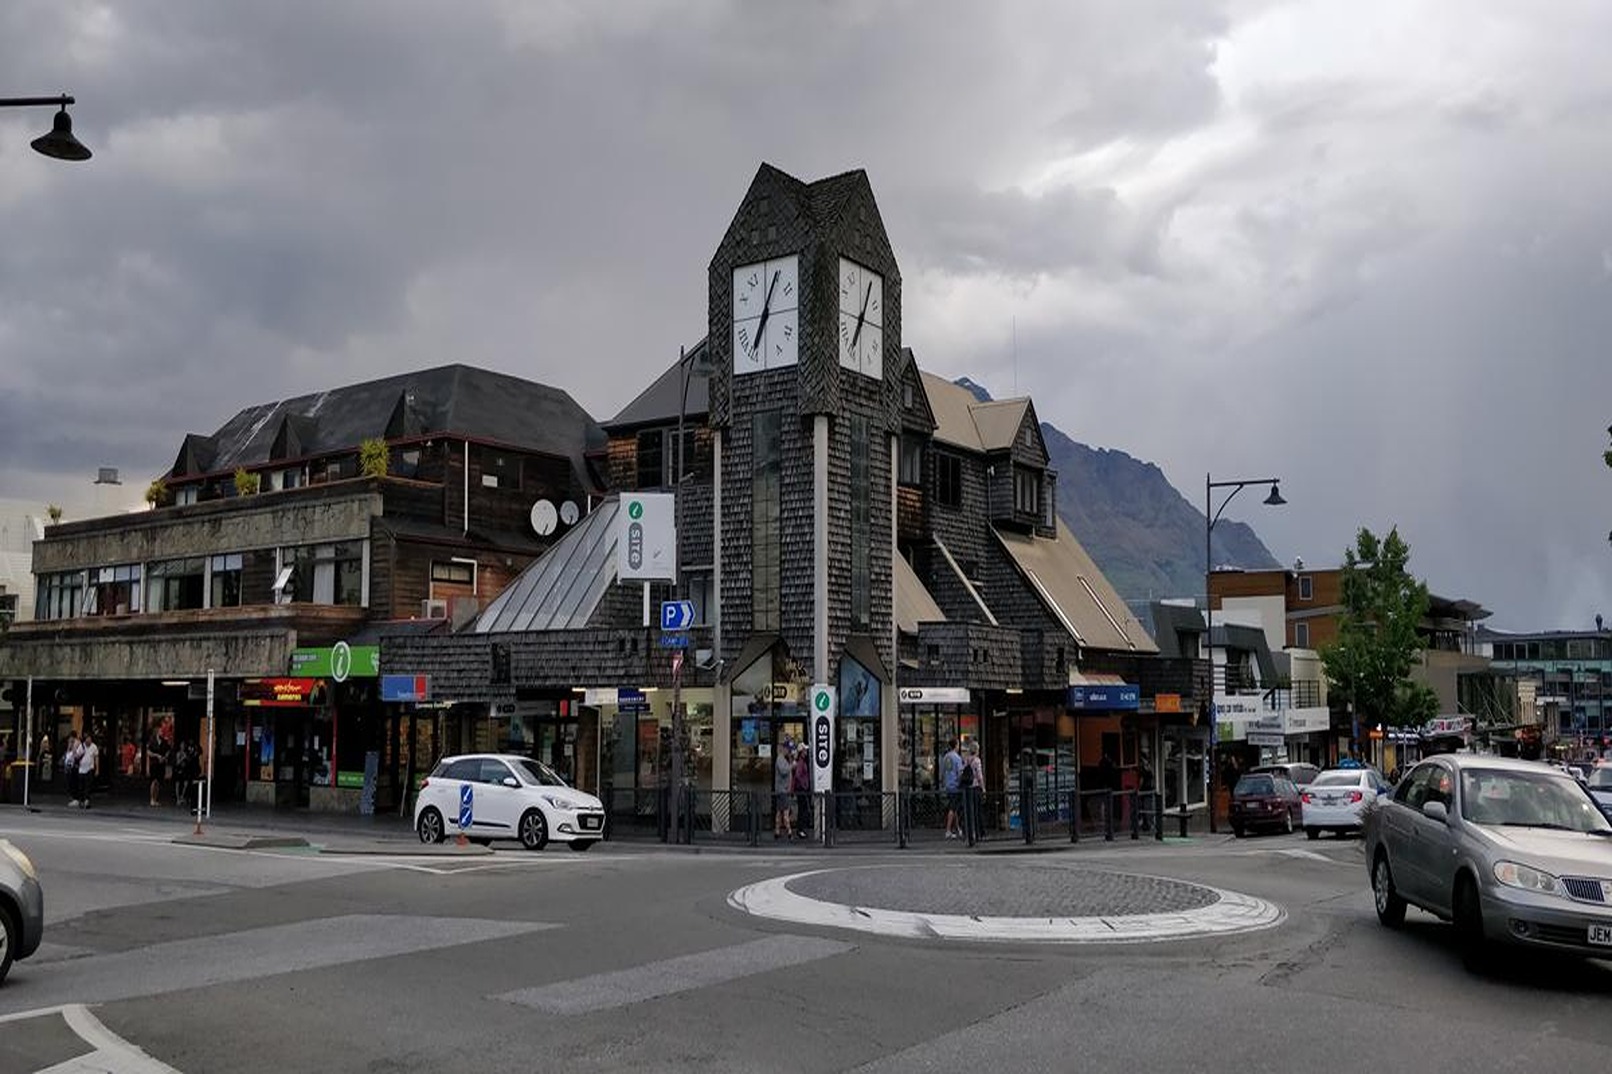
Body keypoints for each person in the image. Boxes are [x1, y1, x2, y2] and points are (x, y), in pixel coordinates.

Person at [963, 742, 985, 844]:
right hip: (976, 787)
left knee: (969, 811)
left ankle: (970, 833)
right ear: (977, 750)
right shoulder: (977, 761)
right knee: (977, 811)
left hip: (968, 787)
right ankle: (979, 833)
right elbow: (979, 776)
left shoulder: (966, 760)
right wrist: (983, 788)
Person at [941, 738, 964, 839]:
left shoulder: (946, 757)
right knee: (952, 808)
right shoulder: (957, 758)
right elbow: (960, 773)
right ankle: (948, 830)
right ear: (956, 746)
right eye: (958, 744)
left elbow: (943, 771)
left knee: (954, 807)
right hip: (955, 786)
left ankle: (958, 828)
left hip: (948, 785)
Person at [774, 740, 795, 840]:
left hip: (782, 790)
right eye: (788, 750)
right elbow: (783, 771)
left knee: (779, 812)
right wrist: (791, 766)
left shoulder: (784, 759)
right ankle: (789, 832)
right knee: (785, 812)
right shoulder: (780, 759)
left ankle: (777, 831)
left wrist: (790, 760)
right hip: (783, 790)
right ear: (784, 749)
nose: (789, 752)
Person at [791, 744, 812, 839]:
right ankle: (800, 830)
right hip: (801, 789)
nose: (806, 753)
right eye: (804, 751)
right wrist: (804, 785)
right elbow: (798, 775)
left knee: (802, 809)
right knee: (802, 810)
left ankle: (801, 829)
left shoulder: (801, 762)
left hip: (801, 788)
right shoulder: (801, 762)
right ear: (801, 752)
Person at [147, 728, 171, 807]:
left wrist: (164, 757)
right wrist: (156, 756)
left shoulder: (164, 742)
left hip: (161, 764)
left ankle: (155, 799)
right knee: (153, 781)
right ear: (157, 732)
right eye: (161, 731)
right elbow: (149, 752)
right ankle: (152, 799)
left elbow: (168, 750)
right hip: (154, 763)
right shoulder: (152, 741)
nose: (162, 733)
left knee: (158, 782)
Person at [75, 729, 99, 808]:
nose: (89, 740)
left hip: (90, 768)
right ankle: (81, 800)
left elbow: (96, 758)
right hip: (82, 769)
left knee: (88, 786)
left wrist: (97, 769)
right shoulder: (81, 746)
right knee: (81, 786)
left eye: (90, 738)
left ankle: (87, 800)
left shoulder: (94, 747)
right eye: (87, 739)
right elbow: (77, 756)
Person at [62, 732, 82, 805]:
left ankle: (75, 798)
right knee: (69, 782)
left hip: (74, 766)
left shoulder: (77, 744)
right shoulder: (70, 744)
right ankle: (73, 797)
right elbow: (67, 754)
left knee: (73, 782)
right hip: (69, 765)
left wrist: (73, 747)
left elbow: (76, 755)